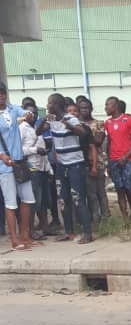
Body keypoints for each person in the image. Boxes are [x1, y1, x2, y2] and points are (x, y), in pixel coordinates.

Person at [38, 93, 93, 243]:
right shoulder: (52, 120)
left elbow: (82, 133)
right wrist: (44, 119)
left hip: (75, 165)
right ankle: (69, 232)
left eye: (49, 103)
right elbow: (37, 132)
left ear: (56, 105)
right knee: (63, 199)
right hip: (61, 166)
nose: (47, 106)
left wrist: (67, 124)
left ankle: (88, 233)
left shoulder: (71, 118)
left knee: (78, 198)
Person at [0, 82, 35, 250]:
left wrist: (28, 115)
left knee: (27, 198)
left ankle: (25, 235)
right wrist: (1, 155)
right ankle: (14, 239)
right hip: (4, 165)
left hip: (20, 162)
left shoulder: (13, 109)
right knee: (11, 202)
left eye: (2, 93)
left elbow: (26, 113)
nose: (1, 97)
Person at [104, 96, 131, 220]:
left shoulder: (129, 120)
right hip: (114, 160)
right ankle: (125, 218)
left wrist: (126, 156)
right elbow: (109, 142)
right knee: (119, 189)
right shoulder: (107, 123)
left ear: (115, 106)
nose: (106, 108)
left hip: (129, 160)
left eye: (108, 105)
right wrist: (108, 162)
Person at [20, 108, 52, 238]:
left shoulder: (37, 129)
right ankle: (30, 231)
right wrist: (35, 150)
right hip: (32, 168)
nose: (32, 115)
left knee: (44, 200)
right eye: (29, 112)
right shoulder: (22, 128)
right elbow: (19, 149)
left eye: (34, 112)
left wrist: (49, 169)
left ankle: (45, 228)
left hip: (42, 168)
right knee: (34, 200)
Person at [78, 97, 110, 223]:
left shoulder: (98, 123)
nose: (84, 110)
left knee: (100, 192)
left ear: (91, 109)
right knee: (89, 194)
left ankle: (106, 217)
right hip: (82, 161)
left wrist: (85, 136)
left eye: (87, 107)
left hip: (98, 162)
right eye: (81, 108)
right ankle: (94, 218)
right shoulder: (76, 124)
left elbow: (99, 140)